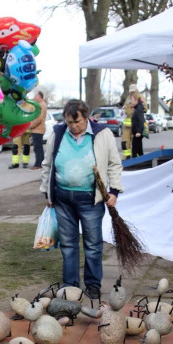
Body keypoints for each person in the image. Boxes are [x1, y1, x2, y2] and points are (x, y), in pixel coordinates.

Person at [40, 98, 123, 299]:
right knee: (68, 245)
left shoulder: (102, 134)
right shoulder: (58, 134)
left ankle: (93, 285)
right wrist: (47, 192)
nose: (74, 127)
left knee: (93, 245)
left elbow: (114, 164)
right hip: (62, 199)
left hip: (90, 200)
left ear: (86, 117)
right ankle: (70, 285)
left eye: (78, 122)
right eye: (70, 122)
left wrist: (114, 191)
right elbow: (47, 164)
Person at [29, 91, 47, 169]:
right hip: (37, 129)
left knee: (37, 148)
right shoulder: (40, 104)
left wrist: (31, 126)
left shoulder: (41, 105)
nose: (34, 97)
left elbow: (39, 118)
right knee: (38, 147)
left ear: (40, 97)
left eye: (35, 96)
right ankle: (41, 163)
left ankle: (38, 164)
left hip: (38, 129)